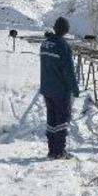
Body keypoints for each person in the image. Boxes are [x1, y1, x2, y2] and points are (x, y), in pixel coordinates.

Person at [39, 17, 81, 159]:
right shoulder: (63, 46)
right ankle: (60, 151)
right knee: (62, 121)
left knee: (51, 120)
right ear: (65, 30)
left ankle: (52, 150)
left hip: (46, 88)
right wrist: (75, 89)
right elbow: (68, 71)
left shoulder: (45, 44)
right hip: (60, 90)